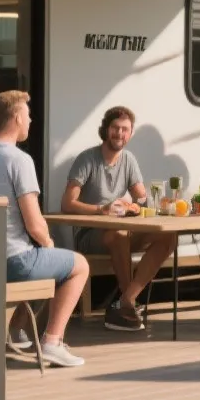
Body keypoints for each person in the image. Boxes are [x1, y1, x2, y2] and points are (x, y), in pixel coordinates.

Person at [0, 90, 89, 368]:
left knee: (44, 260)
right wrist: (49, 243)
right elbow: (34, 222)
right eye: (28, 115)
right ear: (17, 117)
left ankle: (16, 332)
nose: (30, 121)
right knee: (77, 265)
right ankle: (52, 342)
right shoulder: (18, 159)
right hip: (13, 261)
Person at [59, 106, 179, 332]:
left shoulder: (129, 160)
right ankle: (126, 308)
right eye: (115, 128)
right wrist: (100, 210)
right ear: (106, 129)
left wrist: (134, 205)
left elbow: (142, 198)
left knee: (168, 237)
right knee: (118, 234)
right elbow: (67, 203)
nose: (119, 134)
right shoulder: (87, 159)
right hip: (90, 234)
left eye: (125, 130)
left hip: (120, 230)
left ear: (130, 134)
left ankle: (127, 301)